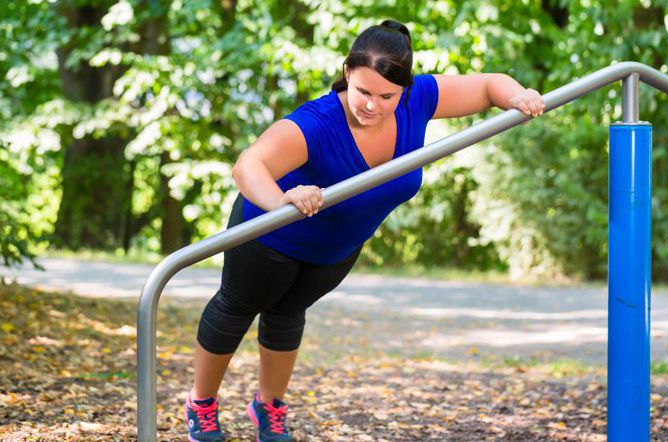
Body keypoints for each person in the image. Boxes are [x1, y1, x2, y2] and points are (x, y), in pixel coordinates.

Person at [185, 19, 545, 442]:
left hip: (336, 249)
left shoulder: (419, 99)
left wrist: (517, 96)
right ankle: (201, 406)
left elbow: (488, 86)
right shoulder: (318, 123)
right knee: (235, 310)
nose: (372, 105)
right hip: (270, 237)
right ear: (347, 75)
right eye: (363, 92)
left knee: (286, 316)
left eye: (386, 96)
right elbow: (248, 166)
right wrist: (282, 200)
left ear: (404, 90)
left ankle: (269, 408)